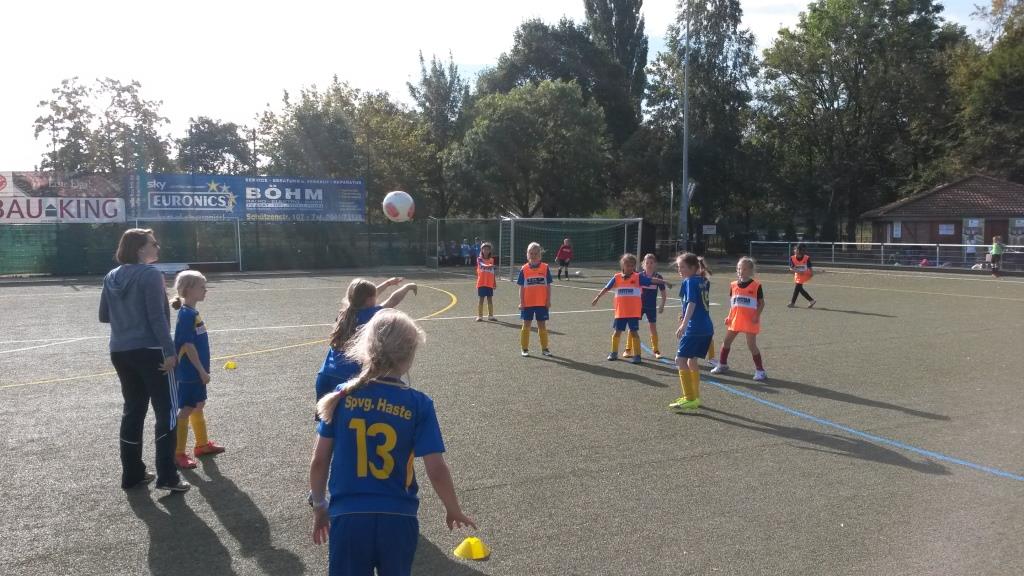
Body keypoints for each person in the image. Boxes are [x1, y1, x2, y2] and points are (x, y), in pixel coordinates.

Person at [310, 309, 476, 576]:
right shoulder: (419, 404)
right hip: (399, 519)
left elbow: (319, 461)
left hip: (349, 517)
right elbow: (436, 468)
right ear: (409, 356)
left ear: (367, 348)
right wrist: (452, 508)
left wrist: (319, 506)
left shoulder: (341, 396)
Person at [99, 228, 188, 493]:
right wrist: (170, 351)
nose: (157, 247)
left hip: (120, 350)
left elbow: (104, 315)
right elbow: (156, 318)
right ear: (140, 249)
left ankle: (133, 473)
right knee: (166, 411)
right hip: (151, 350)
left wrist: (128, 314)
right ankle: (168, 476)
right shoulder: (150, 274)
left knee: (133, 410)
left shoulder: (111, 276)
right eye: (153, 243)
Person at [315, 278, 418, 404]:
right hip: (347, 379)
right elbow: (393, 300)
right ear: (369, 299)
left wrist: (387, 284)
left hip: (325, 374)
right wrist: (408, 287)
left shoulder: (344, 313)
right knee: (347, 415)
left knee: (325, 413)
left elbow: (363, 296)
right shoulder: (371, 314)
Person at [170, 271, 225, 469]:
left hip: (196, 371)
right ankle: (178, 453)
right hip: (189, 372)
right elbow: (187, 345)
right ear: (189, 289)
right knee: (186, 409)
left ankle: (201, 445)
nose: (205, 290)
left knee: (199, 405)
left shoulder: (192, 312)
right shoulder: (186, 314)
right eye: (202, 287)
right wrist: (201, 371)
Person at [591, 254, 667, 364]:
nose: (630, 268)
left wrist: (664, 282)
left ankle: (637, 355)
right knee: (617, 332)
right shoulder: (617, 277)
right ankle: (614, 352)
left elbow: (651, 280)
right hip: (620, 312)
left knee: (634, 332)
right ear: (623, 265)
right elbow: (607, 288)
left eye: (632, 266)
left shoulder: (637, 277)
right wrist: (598, 297)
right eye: (628, 265)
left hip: (633, 312)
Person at [669, 253, 713, 412]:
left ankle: (689, 398)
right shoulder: (703, 280)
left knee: (680, 360)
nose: (679, 270)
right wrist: (684, 315)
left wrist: (684, 324)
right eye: (678, 267)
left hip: (694, 328)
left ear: (693, 267)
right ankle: (695, 396)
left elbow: (692, 303)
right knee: (691, 361)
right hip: (707, 328)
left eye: (682, 267)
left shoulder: (689, 281)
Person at [711, 257, 767, 381]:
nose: (741, 271)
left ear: (751, 270)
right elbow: (733, 303)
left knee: (751, 345)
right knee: (726, 342)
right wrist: (729, 316)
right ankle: (722, 364)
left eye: (744, 269)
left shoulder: (756, 285)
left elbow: (762, 303)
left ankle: (760, 371)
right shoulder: (733, 285)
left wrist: (756, 315)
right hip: (736, 319)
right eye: (739, 268)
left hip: (750, 320)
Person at [624, 254, 669, 360]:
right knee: (632, 326)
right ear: (643, 264)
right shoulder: (639, 276)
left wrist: (662, 305)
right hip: (638, 306)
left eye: (651, 263)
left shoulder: (658, 277)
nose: (649, 265)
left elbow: (663, 293)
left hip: (651, 307)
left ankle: (656, 350)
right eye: (647, 262)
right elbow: (631, 288)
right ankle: (628, 349)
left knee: (652, 327)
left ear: (655, 264)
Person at [517, 242, 553, 357]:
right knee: (526, 325)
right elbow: (521, 288)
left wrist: (548, 300)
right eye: (531, 253)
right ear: (527, 254)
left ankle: (545, 348)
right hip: (527, 304)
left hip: (541, 303)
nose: (533, 256)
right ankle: (524, 348)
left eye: (536, 253)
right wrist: (522, 302)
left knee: (542, 326)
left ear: (540, 255)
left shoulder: (545, 268)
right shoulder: (524, 269)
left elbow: (548, 286)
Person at [788, 243, 816, 308]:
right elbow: (791, 268)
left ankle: (792, 303)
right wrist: (798, 271)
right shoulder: (792, 258)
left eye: (796, 249)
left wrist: (811, 273)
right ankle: (811, 300)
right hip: (798, 274)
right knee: (799, 288)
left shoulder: (806, 258)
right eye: (795, 249)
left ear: (799, 251)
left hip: (805, 274)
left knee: (797, 287)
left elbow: (809, 267)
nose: (794, 250)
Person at [475, 242, 498, 322]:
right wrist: (490, 266)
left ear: (490, 251)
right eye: (484, 249)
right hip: (481, 282)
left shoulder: (492, 260)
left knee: (490, 299)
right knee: (481, 299)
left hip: (489, 283)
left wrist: (494, 282)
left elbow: (492, 273)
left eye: (488, 249)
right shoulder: (479, 259)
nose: (486, 251)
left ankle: (490, 316)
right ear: (482, 250)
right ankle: (480, 316)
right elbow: (482, 265)